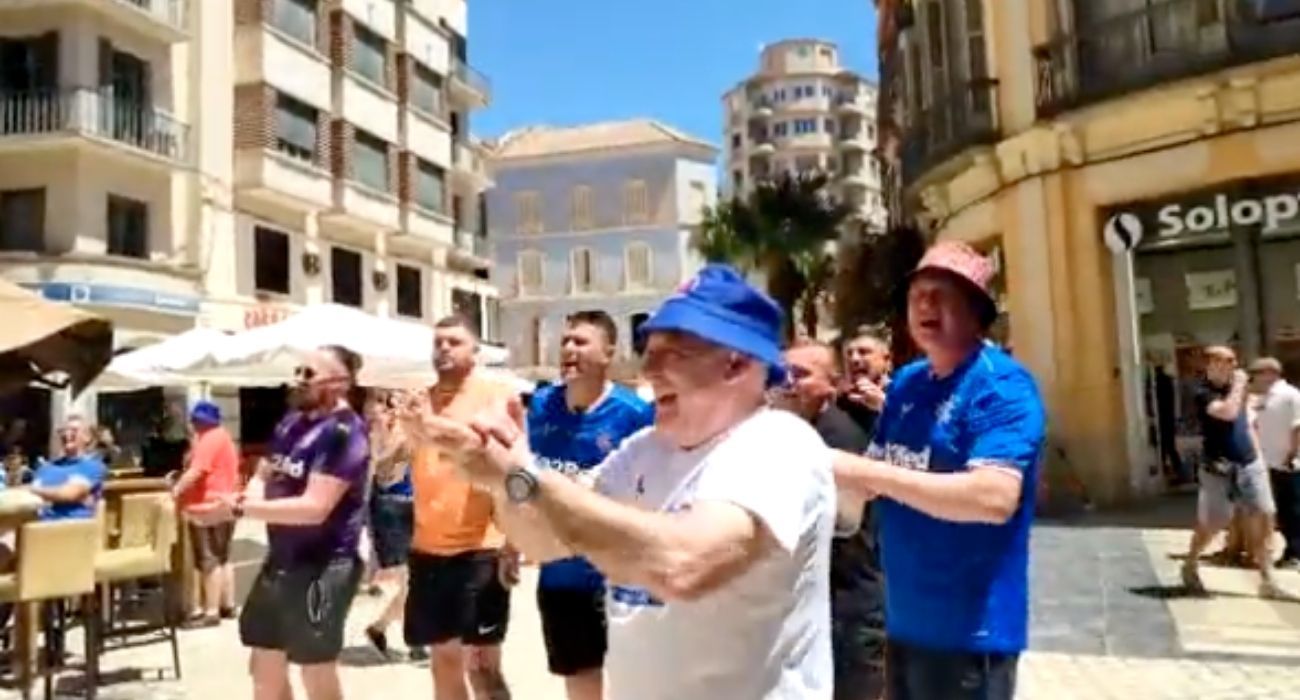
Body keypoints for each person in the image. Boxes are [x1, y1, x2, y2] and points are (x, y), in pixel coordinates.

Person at [410, 265, 836, 700]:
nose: (649, 369)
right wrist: (500, 479)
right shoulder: (644, 449)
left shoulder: (778, 443)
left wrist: (527, 477)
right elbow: (542, 540)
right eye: (647, 350)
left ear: (736, 365)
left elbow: (682, 565)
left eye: (672, 353)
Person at [833, 241, 1047, 700]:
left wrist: (864, 473)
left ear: (975, 310)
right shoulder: (907, 384)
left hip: (970, 636)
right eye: (917, 295)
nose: (925, 305)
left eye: (941, 294)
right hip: (902, 621)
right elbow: (869, 479)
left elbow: (993, 498)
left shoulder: (1001, 384)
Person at [192, 345, 370, 700]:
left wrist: (240, 510)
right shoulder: (290, 423)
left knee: (315, 669)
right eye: (297, 371)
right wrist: (242, 500)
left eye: (309, 374)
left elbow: (315, 508)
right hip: (282, 559)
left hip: (326, 565)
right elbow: (263, 474)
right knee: (263, 664)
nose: (298, 379)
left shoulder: (345, 433)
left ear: (339, 382)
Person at [527, 310, 654, 700]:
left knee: (634, 686)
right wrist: (510, 544)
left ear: (608, 353)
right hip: (559, 576)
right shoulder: (541, 406)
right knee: (580, 688)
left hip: (617, 577)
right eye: (565, 340)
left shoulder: (634, 414)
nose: (569, 348)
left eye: (580, 341)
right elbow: (528, 478)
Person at [395, 316, 519, 700]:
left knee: (482, 667)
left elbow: (506, 465)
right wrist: (391, 426)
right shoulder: (420, 401)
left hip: (481, 548)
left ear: (475, 351)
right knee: (443, 664)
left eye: (454, 342)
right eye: (439, 342)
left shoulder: (496, 397)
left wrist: (513, 544)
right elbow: (391, 464)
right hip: (428, 550)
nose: (444, 349)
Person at [773, 340, 884, 700]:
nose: (788, 382)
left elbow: (844, 520)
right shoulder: (791, 432)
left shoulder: (837, 437)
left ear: (831, 385)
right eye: (783, 373)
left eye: (801, 374)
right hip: (815, 606)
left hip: (848, 608)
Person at [1179, 346, 1292, 600]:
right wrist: (1240, 386)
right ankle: (1191, 563)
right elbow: (1228, 413)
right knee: (1214, 522)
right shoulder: (1202, 392)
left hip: (1249, 463)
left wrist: (1258, 455)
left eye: (1233, 360)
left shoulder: (1237, 389)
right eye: (1224, 361)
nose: (1232, 365)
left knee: (1264, 515)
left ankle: (1268, 578)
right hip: (1218, 466)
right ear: (1210, 364)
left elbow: (1247, 422)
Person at [172, 401, 241, 627]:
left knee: (208, 559)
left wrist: (176, 490)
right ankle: (227, 604)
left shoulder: (209, 440)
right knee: (224, 557)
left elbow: (197, 471)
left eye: (194, 420)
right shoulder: (224, 437)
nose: (191, 424)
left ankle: (211, 612)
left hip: (206, 507)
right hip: (225, 503)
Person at [364, 392, 417, 657]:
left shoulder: (408, 430)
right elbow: (384, 473)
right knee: (413, 580)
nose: (398, 408)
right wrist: (403, 437)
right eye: (393, 404)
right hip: (391, 508)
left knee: (416, 580)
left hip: (412, 506)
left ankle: (384, 628)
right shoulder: (378, 434)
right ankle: (411, 637)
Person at [1249, 357, 1300, 570]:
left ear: (1271, 373)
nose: (1254, 378)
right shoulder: (1261, 397)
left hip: (1290, 463)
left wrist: (1292, 454)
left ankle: (1296, 553)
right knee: (1280, 511)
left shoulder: (1290, 395)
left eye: (1256, 374)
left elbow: (1297, 427)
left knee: (1294, 509)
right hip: (1268, 462)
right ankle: (1290, 551)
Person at [30, 415, 107, 522]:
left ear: (87, 437)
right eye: (63, 431)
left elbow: (69, 494)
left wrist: (33, 491)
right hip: (39, 524)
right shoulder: (46, 468)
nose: (67, 434)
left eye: (73, 431)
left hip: (72, 526)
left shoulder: (92, 466)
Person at [838, 330, 891, 436]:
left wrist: (884, 406)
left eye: (863, 352)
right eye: (849, 354)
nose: (854, 359)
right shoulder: (841, 403)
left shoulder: (905, 396)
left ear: (886, 360)